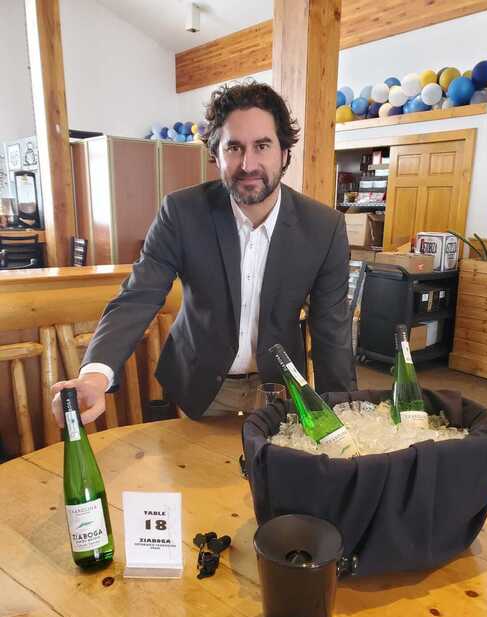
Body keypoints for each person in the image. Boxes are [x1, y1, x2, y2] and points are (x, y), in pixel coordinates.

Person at [51, 81, 356, 424]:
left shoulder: (324, 227)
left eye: (262, 146)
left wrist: (345, 411)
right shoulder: (182, 212)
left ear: (284, 153)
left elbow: (331, 328)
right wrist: (95, 376)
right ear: (216, 154)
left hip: (279, 388)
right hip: (200, 387)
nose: (248, 164)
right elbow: (138, 296)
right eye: (234, 147)